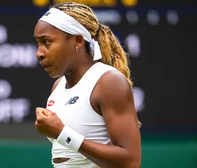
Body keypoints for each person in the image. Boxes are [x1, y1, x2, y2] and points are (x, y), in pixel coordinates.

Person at [34, 2, 141, 168]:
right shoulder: (57, 86)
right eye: (38, 43)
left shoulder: (109, 82)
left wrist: (63, 133)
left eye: (46, 42)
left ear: (77, 40)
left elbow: (130, 161)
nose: (39, 53)